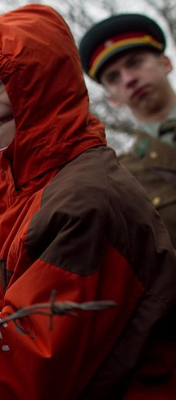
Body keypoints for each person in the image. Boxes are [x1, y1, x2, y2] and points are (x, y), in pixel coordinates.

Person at [0, 4, 176, 400]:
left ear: (43, 78)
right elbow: (27, 179)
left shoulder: (86, 200)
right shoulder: (102, 167)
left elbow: (26, 368)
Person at [79, 13, 176, 248]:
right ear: (112, 98)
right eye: (114, 77)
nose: (129, 79)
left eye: (135, 62)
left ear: (165, 63)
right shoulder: (123, 178)